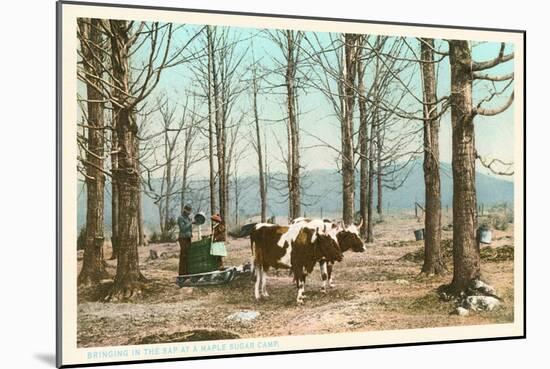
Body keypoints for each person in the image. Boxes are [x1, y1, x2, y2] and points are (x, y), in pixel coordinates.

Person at [177, 204, 194, 276]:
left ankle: (187, 272)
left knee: (189, 255)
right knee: (183, 255)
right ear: (185, 210)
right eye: (188, 211)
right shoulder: (180, 218)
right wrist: (190, 223)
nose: (189, 213)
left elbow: (189, 228)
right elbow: (182, 228)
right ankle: (182, 273)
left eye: (190, 211)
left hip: (188, 238)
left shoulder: (188, 218)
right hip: (182, 238)